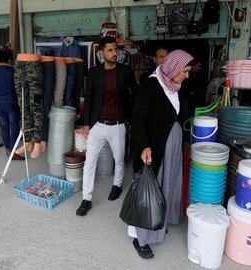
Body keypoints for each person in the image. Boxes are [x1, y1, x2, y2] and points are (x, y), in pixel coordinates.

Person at [129, 49, 194, 259]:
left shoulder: (175, 86)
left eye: (188, 71)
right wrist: (145, 145)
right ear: (173, 67)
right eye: (184, 71)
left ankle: (157, 223)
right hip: (153, 146)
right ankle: (139, 237)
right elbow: (138, 118)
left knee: (164, 187)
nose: (187, 75)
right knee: (147, 190)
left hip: (170, 145)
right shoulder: (151, 86)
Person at [76, 36, 137, 216]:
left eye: (115, 49)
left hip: (118, 125)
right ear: (101, 53)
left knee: (119, 159)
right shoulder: (94, 73)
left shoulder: (125, 71)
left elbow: (136, 92)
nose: (114, 53)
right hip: (97, 125)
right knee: (89, 162)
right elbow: (88, 100)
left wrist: (133, 118)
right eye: (110, 50)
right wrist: (86, 123)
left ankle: (117, 185)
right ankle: (86, 198)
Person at [0, 50, 24, 160]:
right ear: (9, 59)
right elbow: (19, 88)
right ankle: (13, 150)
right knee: (14, 127)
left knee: (4, 127)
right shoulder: (12, 70)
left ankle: (8, 149)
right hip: (11, 102)